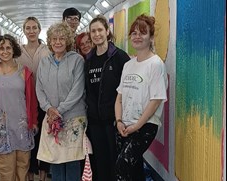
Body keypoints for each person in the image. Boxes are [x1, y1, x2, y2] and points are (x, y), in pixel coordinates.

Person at [114, 14, 167, 181]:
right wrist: (119, 121)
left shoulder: (155, 64)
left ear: (151, 37)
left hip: (145, 126)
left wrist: (137, 125)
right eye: (134, 33)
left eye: (142, 33)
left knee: (122, 166)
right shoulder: (128, 65)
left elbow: (156, 99)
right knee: (134, 170)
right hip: (125, 125)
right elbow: (119, 98)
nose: (137, 36)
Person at [0, 34, 38, 181]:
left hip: (22, 126)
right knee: (5, 170)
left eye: (8, 47)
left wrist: (33, 122)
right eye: (1, 48)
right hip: (1, 127)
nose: (5, 51)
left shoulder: (25, 72)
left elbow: (31, 100)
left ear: (14, 50)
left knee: (23, 167)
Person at [36, 22, 87, 181]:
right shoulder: (44, 62)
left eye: (62, 39)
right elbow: (39, 88)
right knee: (55, 160)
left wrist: (59, 110)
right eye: (54, 39)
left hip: (73, 118)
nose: (57, 42)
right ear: (49, 41)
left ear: (68, 41)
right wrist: (48, 108)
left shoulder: (77, 60)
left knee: (72, 161)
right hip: (52, 118)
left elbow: (78, 90)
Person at [84, 14, 130, 181]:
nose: (97, 34)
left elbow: (127, 90)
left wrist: (121, 117)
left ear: (107, 31)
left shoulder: (119, 57)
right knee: (100, 160)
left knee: (115, 160)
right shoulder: (88, 60)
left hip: (114, 120)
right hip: (95, 120)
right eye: (93, 31)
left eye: (100, 30)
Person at [16, 17, 50, 181]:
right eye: (28, 28)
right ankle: (29, 176)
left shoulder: (47, 50)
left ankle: (42, 176)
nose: (31, 31)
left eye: (34, 28)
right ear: (24, 30)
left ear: (39, 29)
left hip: (44, 102)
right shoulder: (17, 52)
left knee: (44, 140)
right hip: (24, 103)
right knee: (27, 141)